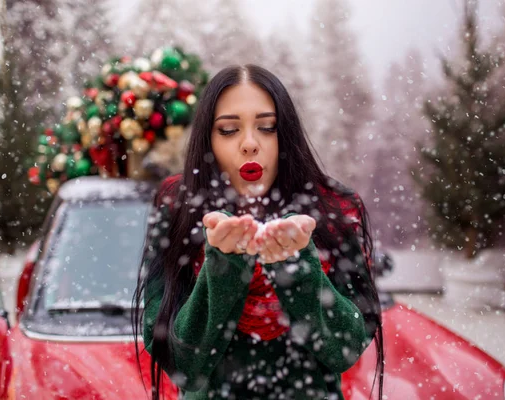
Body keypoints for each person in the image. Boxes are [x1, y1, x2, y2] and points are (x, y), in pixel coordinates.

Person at [133, 64, 384, 400]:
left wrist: (297, 267)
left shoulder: (331, 210)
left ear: (287, 135)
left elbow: (346, 348)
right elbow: (182, 364)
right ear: (206, 139)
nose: (250, 144)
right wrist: (223, 264)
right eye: (228, 130)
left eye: (266, 128)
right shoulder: (177, 211)